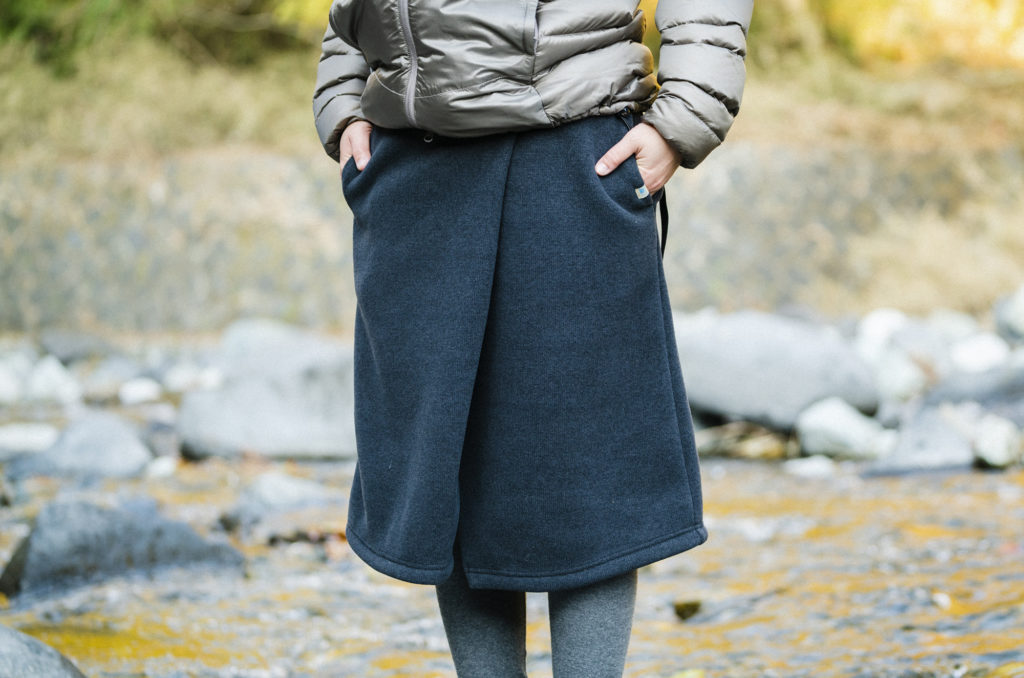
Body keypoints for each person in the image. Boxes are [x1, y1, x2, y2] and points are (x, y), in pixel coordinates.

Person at [313, 1, 752, 675]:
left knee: (590, 477)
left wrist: (686, 114)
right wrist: (342, 103)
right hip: (412, 158)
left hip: (573, 144)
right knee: (449, 466)